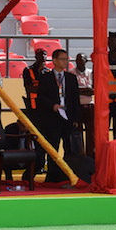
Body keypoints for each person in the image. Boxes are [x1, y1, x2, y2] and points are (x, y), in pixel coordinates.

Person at [36, 49, 82, 184]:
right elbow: (41, 97)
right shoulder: (45, 77)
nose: (65, 62)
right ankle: (52, 176)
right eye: (62, 59)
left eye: (67, 59)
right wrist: (52, 105)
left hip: (68, 117)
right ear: (55, 61)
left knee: (70, 148)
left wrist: (76, 119)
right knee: (53, 147)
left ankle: (68, 174)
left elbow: (75, 100)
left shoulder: (71, 78)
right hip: (52, 118)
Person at [70, 52, 94, 152]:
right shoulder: (71, 73)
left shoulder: (91, 73)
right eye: (77, 59)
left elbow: (93, 90)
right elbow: (72, 90)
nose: (79, 62)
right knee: (77, 132)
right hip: (77, 106)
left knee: (91, 133)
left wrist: (79, 90)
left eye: (82, 59)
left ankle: (90, 156)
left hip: (90, 106)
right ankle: (79, 155)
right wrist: (86, 90)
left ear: (86, 61)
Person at [22, 49, 47, 120]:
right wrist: (44, 89)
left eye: (45, 54)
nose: (43, 56)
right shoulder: (28, 70)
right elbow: (29, 88)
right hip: (33, 105)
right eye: (40, 54)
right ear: (36, 56)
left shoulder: (49, 72)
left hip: (45, 105)